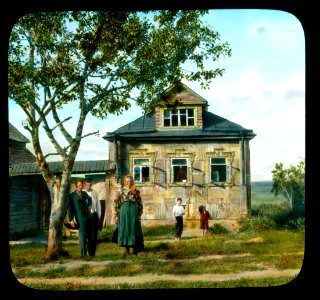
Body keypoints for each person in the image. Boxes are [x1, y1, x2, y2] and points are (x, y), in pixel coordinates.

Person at [113, 174, 144, 256]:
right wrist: (116, 214)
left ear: (132, 181)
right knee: (125, 228)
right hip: (124, 211)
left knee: (133, 228)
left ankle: (134, 249)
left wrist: (140, 212)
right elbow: (116, 202)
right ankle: (127, 250)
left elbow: (139, 202)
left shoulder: (136, 191)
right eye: (127, 181)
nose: (129, 183)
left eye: (130, 181)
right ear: (125, 182)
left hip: (133, 210)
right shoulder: (121, 191)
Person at [68, 179, 94, 257]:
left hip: (88, 216)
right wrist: (71, 219)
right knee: (82, 235)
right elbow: (70, 208)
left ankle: (90, 253)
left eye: (81, 185)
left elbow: (89, 199)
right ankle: (83, 253)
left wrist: (89, 206)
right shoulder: (72, 196)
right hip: (80, 217)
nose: (80, 187)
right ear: (76, 186)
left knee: (89, 235)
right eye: (79, 185)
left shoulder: (84, 193)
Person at [84, 180, 101, 257]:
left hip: (94, 215)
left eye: (90, 185)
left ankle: (92, 253)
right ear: (85, 185)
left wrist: (99, 216)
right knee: (88, 235)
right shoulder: (83, 193)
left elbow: (98, 205)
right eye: (87, 185)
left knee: (94, 235)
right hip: (86, 216)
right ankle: (88, 251)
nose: (89, 186)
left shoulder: (94, 193)